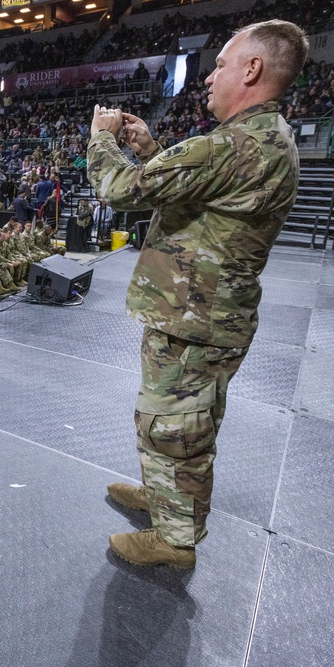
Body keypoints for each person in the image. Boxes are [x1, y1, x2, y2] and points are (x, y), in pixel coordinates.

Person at [88, 20, 307, 569]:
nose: (210, 76)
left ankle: (173, 539)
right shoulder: (266, 138)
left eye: (223, 64)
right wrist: (153, 147)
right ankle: (166, 499)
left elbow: (120, 190)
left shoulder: (230, 144)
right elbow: (205, 199)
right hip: (202, 312)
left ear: (252, 70)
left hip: (195, 317)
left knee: (177, 429)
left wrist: (102, 136)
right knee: (173, 422)